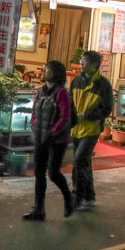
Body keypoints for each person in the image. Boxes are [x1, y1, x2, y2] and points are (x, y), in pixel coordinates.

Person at [22, 60, 74, 220]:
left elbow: (65, 116)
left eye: (47, 69)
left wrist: (52, 132)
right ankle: (39, 209)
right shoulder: (40, 91)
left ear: (55, 73)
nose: (43, 71)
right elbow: (34, 111)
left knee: (53, 172)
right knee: (39, 173)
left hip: (57, 140)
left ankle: (69, 198)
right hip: (40, 137)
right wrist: (34, 125)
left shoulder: (62, 93)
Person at [69, 49, 113, 211]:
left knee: (79, 161)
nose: (81, 63)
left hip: (92, 129)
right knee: (84, 163)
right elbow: (70, 102)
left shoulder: (104, 85)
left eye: (85, 61)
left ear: (94, 65)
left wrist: (86, 116)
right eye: (81, 60)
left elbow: (106, 109)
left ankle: (77, 196)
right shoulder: (76, 81)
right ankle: (89, 196)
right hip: (76, 129)